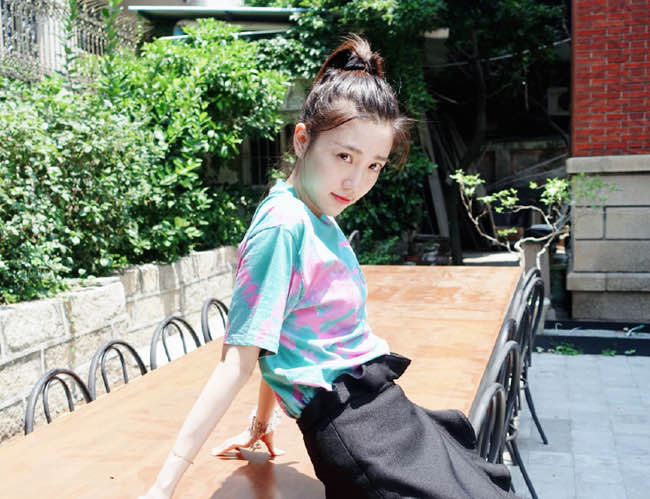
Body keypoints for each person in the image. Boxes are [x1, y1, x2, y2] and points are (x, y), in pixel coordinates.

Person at [140, 35, 514, 499]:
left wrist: (261, 423)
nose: (356, 182)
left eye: (374, 166)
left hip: (381, 406)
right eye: (344, 156)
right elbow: (237, 362)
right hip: (355, 433)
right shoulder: (284, 225)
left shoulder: (317, 214)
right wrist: (163, 487)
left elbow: (279, 328)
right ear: (302, 140)